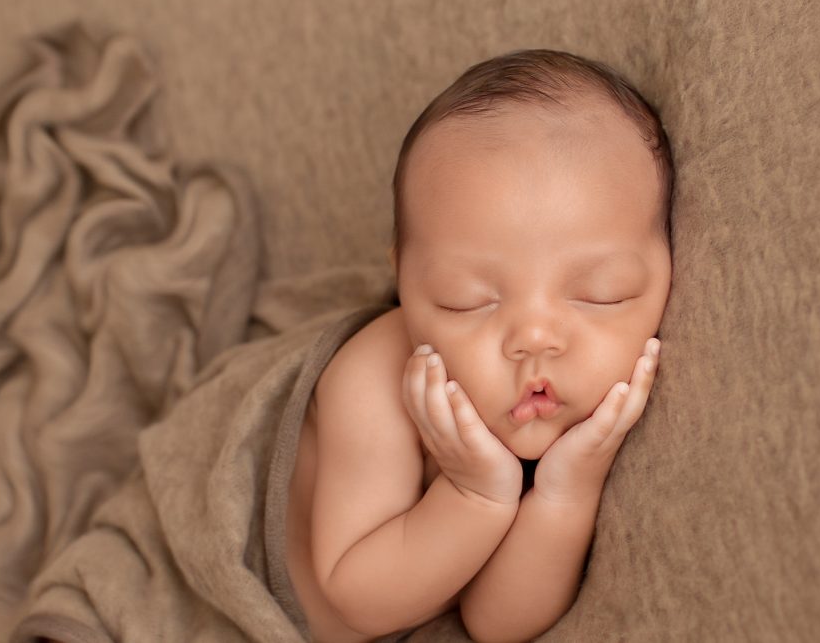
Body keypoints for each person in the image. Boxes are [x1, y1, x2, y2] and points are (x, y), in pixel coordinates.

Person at [285, 49, 673, 643]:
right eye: (465, 300)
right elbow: (354, 602)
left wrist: (566, 493)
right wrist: (473, 495)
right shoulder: (371, 383)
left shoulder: (582, 416)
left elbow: (497, 624)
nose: (534, 339)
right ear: (406, 287)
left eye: (601, 293)